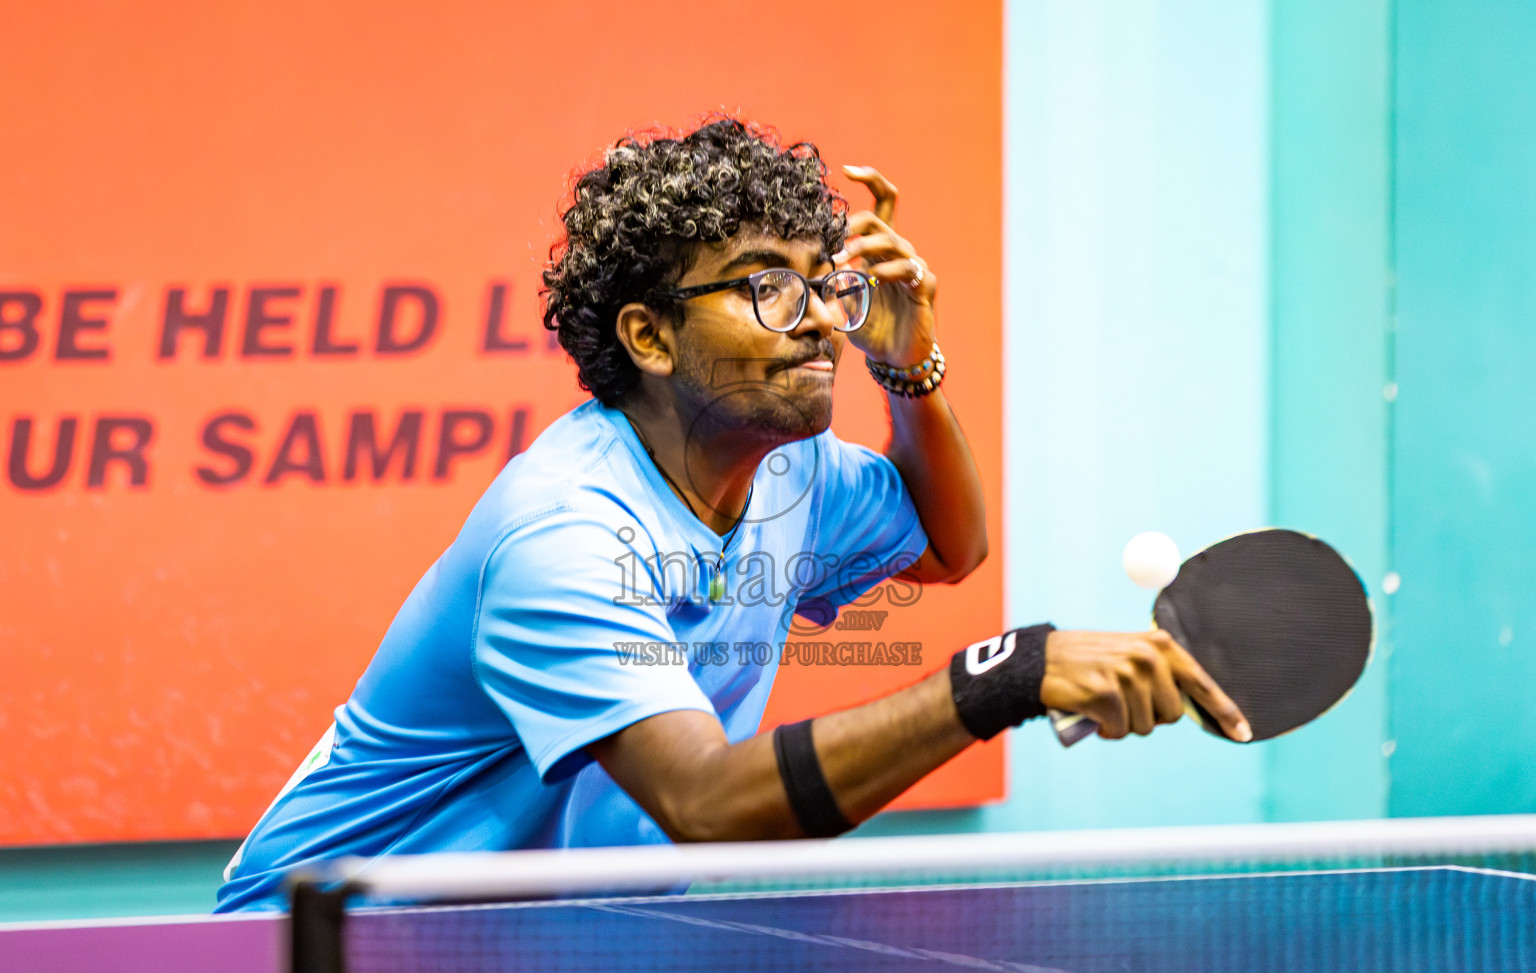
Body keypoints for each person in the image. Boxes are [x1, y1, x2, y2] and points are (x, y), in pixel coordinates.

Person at [214, 117, 1249, 913]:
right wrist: (1007, 679)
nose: (819, 324)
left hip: (533, 949)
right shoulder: (565, 532)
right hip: (322, 952)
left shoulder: (791, 474)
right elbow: (706, 804)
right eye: (766, 288)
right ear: (649, 337)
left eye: (825, 285)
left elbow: (947, 545)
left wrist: (908, 366)